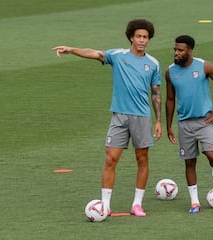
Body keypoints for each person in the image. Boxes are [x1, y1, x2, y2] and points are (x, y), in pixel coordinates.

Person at [53, 19, 162, 217]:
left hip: (142, 118)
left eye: (145, 37)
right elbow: (95, 53)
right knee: (111, 159)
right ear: (131, 37)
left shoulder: (153, 64)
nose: (142, 40)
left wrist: (158, 120)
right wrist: (71, 49)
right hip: (119, 117)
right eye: (138, 36)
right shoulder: (118, 56)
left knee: (142, 159)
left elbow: (155, 93)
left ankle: (137, 204)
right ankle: (105, 205)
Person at [165, 35, 213, 214]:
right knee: (189, 162)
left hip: (204, 121)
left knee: (212, 155)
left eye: (180, 50)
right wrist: (168, 125)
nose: (176, 53)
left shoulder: (204, 66)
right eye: (175, 49)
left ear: (190, 51)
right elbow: (170, 99)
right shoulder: (170, 71)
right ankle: (194, 202)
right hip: (184, 124)